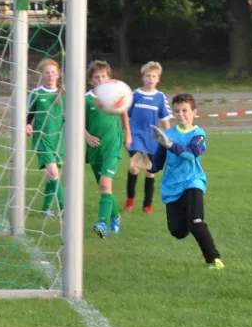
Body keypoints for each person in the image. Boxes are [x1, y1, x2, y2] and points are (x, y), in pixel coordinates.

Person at [149, 93, 224, 269]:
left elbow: (190, 154)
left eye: (185, 110)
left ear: (194, 112)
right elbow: (157, 163)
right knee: (177, 231)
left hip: (193, 181)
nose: (181, 114)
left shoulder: (198, 134)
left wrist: (170, 145)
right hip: (171, 187)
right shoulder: (167, 134)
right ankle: (190, 220)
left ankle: (214, 260)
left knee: (196, 222)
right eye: (177, 111)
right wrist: (143, 164)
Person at [85, 60, 132, 238]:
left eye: (103, 76)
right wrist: (87, 136)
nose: (100, 79)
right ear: (91, 80)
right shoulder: (86, 99)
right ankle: (116, 217)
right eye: (96, 77)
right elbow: (77, 121)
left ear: (109, 78)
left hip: (113, 145)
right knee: (104, 187)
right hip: (95, 148)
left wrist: (128, 133)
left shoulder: (115, 94)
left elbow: (124, 112)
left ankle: (102, 224)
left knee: (105, 184)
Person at [124, 61, 172, 214]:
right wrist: (127, 133)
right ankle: (130, 200)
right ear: (142, 78)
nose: (151, 78)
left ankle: (147, 205)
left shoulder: (160, 97)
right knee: (134, 168)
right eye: (148, 76)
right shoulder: (135, 95)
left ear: (158, 79)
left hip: (152, 138)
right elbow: (125, 114)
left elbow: (165, 119)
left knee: (150, 172)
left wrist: (169, 138)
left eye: (154, 76)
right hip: (136, 136)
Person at [26, 58, 65, 218]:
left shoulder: (64, 93)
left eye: (53, 73)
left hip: (60, 139)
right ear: (42, 75)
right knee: (54, 173)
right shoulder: (36, 93)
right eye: (47, 73)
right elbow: (29, 114)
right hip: (43, 139)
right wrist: (27, 124)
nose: (50, 76)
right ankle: (64, 208)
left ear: (58, 75)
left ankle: (45, 209)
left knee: (53, 177)